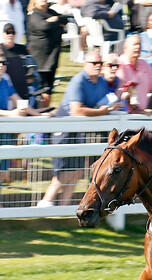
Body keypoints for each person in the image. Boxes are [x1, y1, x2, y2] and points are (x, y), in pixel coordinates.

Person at [40, 51, 123, 208]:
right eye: (94, 63)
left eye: (100, 63)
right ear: (86, 64)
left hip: (79, 130)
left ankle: (64, 207)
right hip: (64, 128)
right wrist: (103, 111)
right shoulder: (78, 81)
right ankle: (45, 202)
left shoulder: (100, 82)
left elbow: (105, 100)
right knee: (63, 171)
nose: (98, 66)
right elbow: (76, 110)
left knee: (77, 170)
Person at [26, 0, 67, 107]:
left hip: (52, 56)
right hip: (40, 59)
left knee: (49, 87)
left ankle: (46, 110)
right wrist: (57, 23)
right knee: (42, 88)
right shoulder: (34, 15)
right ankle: (41, 111)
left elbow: (66, 19)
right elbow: (44, 26)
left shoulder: (51, 12)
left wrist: (56, 19)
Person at [116, 34, 152, 114]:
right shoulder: (117, 64)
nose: (137, 47)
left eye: (139, 44)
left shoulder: (146, 66)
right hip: (120, 115)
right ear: (125, 48)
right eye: (134, 44)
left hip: (141, 116)